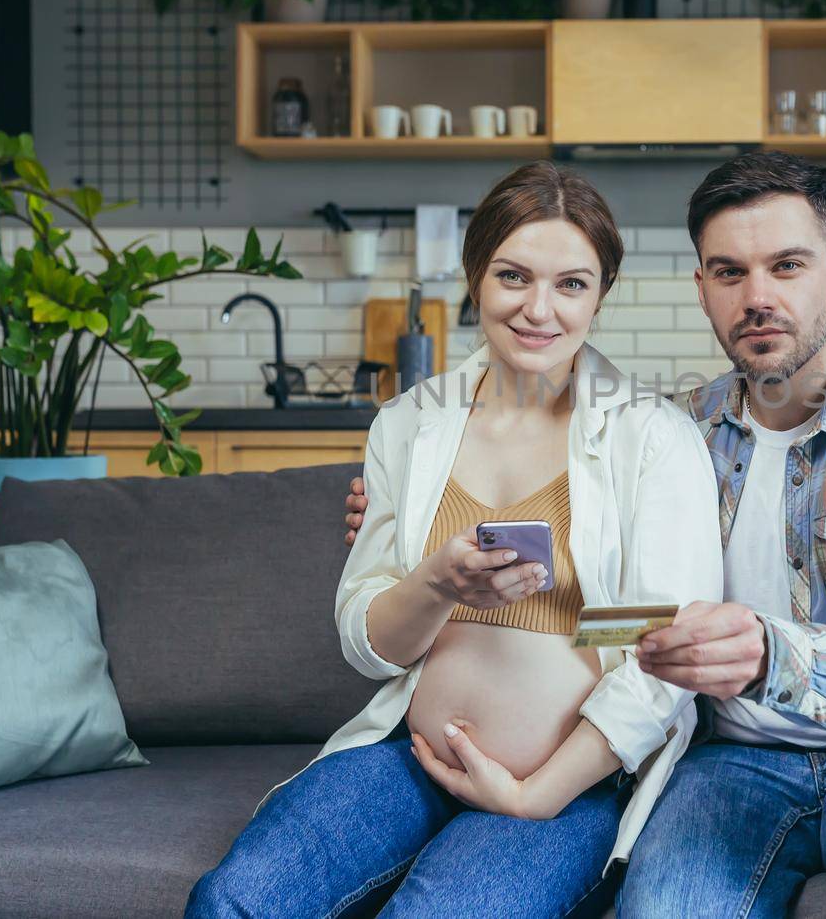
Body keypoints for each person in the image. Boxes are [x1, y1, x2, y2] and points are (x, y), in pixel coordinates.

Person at [346, 152, 826, 917]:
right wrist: (417, 524)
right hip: (730, 767)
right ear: (702, 289)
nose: (757, 297)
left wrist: (771, 654)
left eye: (787, 265)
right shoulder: (670, 431)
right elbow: (638, 624)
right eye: (729, 272)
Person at [187, 161, 723, 919]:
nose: (540, 309)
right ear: (475, 276)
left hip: (562, 785)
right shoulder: (409, 423)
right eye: (513, 275)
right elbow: (366, 641)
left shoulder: (651, 437)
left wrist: (536, 791)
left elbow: (663, 642)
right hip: (406, 758)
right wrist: (440, 583)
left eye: (572, 283)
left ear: (601, 293)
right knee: (233, 900)